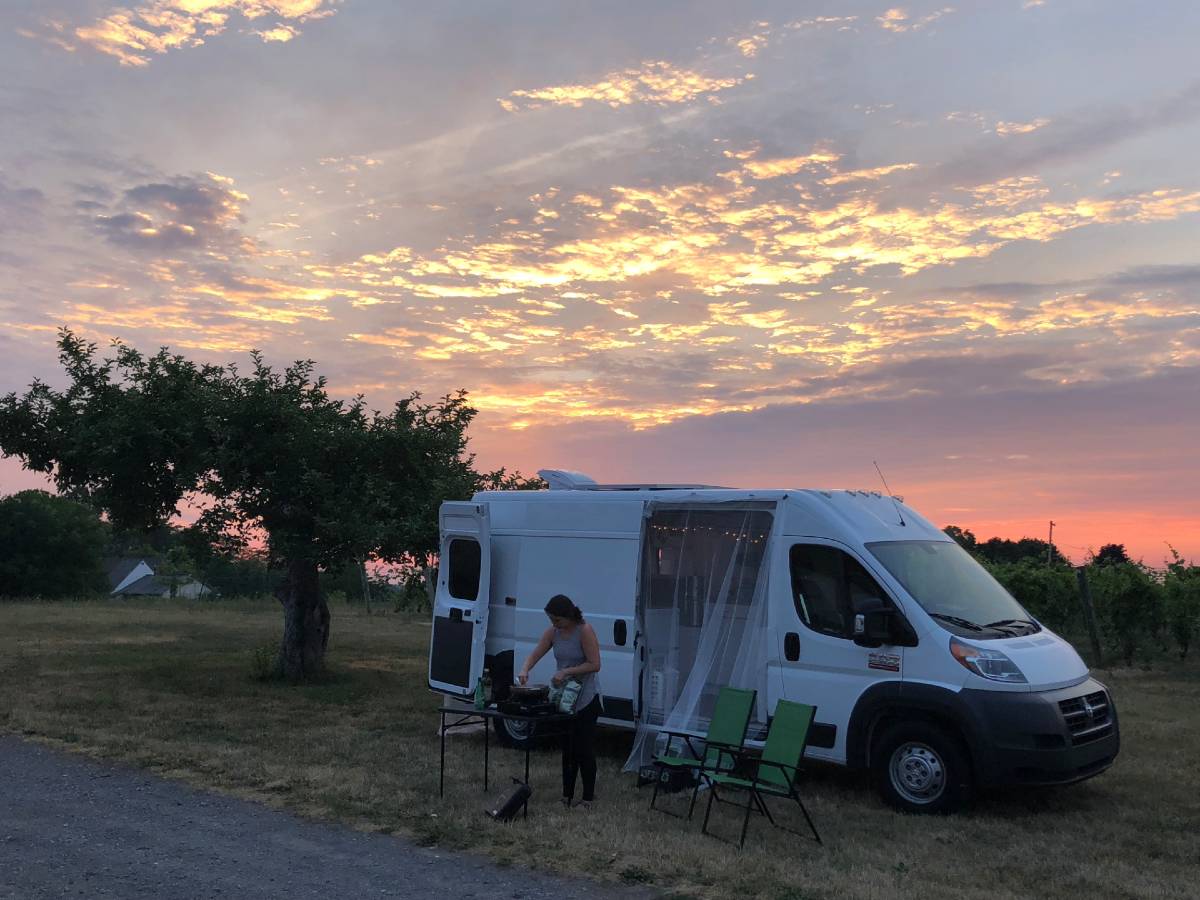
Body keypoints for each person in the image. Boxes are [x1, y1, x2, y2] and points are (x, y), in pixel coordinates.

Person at [516, 594, 602, 808]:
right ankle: (566, 796)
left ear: (568, 616)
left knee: (583, 749)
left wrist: (567, 672)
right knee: (568, 748)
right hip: (564, 699)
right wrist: (525, 669)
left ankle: (588, 798)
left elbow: (595, 664)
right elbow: (536, 654)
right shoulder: (552, 633)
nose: (554, 624)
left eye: (557, 620)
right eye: (551, 620)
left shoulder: (585, 631)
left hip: (585, 698)